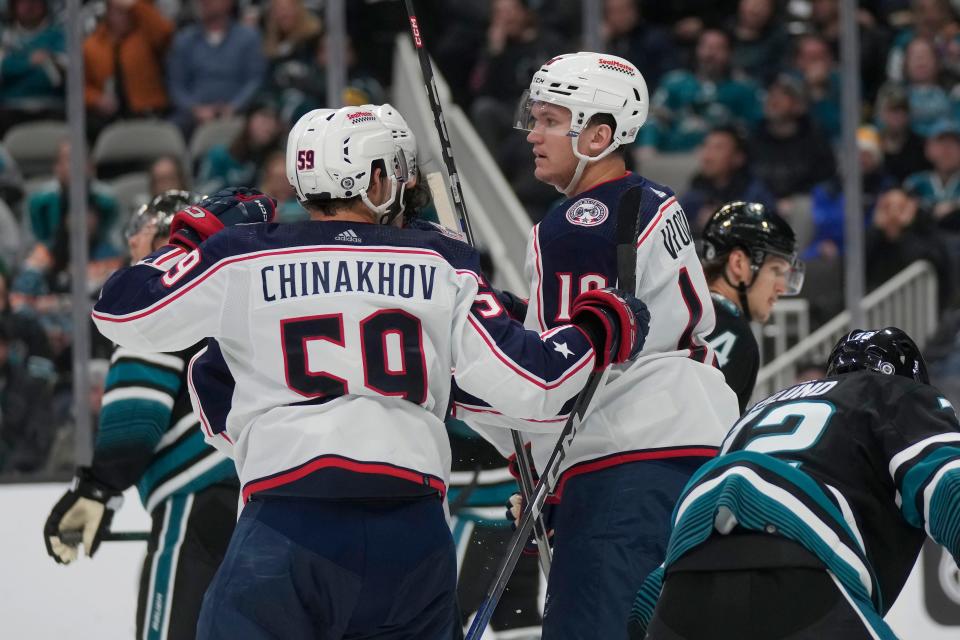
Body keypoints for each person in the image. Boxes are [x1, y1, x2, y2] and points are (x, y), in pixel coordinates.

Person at [90, 105, 650, 639]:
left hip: (286, 524)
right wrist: (598, 329)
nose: (407, 193)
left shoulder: (244, 253)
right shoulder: (439, 258)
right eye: (401, 179)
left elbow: (122, 313)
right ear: (375, 178)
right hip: (410, 535)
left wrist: (195, 234)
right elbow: (536, 383)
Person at [466, 52, 739, 639]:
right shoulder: (651, 199)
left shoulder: (577, 222)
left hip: (625, 461)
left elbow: (562, 376)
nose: (532, 134)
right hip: (691, 451)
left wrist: (536, 466)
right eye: (532, 118)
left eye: (549, 120)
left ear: (599, 133)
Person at [628, 327, 960, 639]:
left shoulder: (754, 413)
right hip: (798, 560)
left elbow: (650, 599)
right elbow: (950, 487)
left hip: (684, 579)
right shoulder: (898, 395)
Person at [43, 191, 240, 640]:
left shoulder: (154, 297)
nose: (132, 244)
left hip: (199, 493)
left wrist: (97, 490)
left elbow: (136, 419)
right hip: (267, 496)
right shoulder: (235, 290)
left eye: (141, 232)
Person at [700, 201, 804, 413]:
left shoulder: (685, 311)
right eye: (776, 270)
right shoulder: (733, 332)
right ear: (738, 263)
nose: (782, 288)